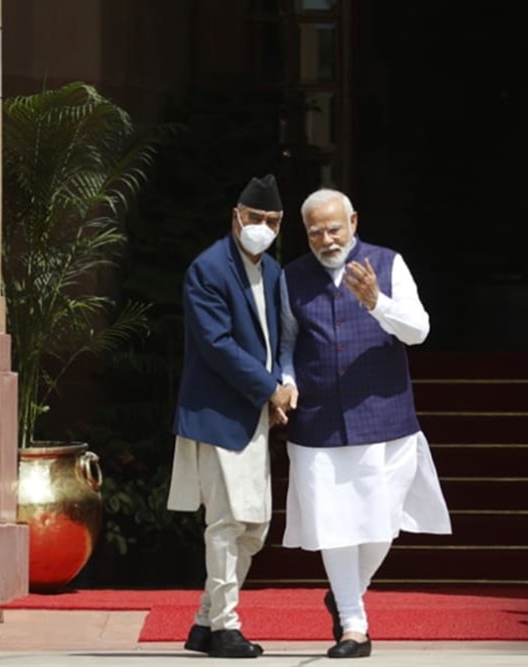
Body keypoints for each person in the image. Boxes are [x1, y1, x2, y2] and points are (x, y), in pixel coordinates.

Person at [279, 188, 452, 659]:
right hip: (318, 420)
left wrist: (378, 302)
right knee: (335, 524)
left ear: (353, 221)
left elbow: (419, 331)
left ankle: (345, 594)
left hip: (385, 416)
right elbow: (287, 343)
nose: (326, 239)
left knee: (381, 524)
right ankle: (353, 625)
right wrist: (287, 380)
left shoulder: (389, 264)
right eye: (315, 231)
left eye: (334, 228)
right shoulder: (291, 277)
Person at [167, 174, 296, 659]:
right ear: (236, 215)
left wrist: (285, 384)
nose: (263, 227)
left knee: (254, 528)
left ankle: (203, 622)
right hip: (216, 412)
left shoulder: (275, 272)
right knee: (226, 522)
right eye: (256, 218)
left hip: (255, 413)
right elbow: (217, 345)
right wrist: (270, 390)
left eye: (273, 221)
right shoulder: (208, 269)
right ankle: (224, 626)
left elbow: (283, 337)